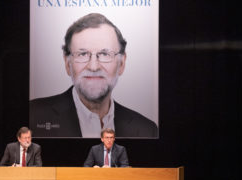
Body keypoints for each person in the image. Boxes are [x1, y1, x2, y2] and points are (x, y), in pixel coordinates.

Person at [30, 13, 158, 138]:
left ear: (122, 63)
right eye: (82, 54)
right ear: (67, 63)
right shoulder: (32, 116)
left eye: (104, 54)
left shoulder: (147, 130)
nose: (93, 66)